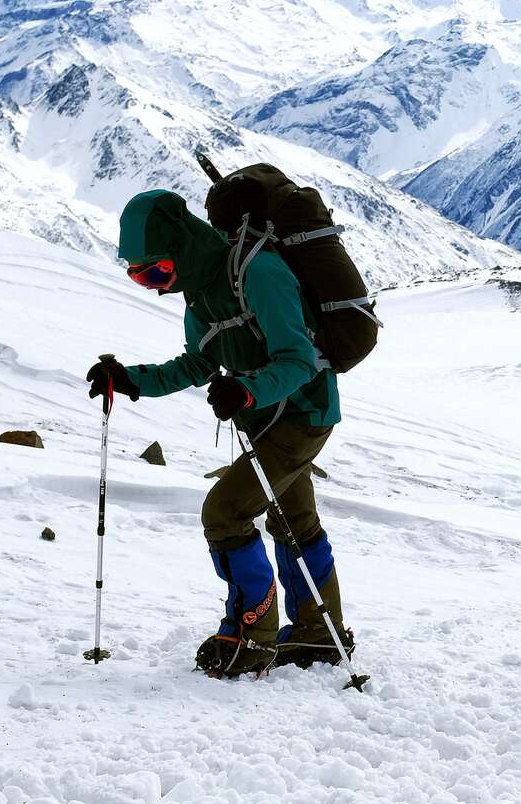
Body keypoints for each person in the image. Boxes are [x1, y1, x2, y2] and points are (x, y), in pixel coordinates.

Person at [86, 190, 348, 678]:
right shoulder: (200, 293)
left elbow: (299, 360)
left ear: (183, 247)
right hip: (265, 419)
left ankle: (253, 637)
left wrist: (246, 391)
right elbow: (199, 362)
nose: (154, 287)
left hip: (303, 415)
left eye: (157, 271)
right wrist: (131, 380)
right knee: (294, 520)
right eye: (139, 277)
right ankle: (319, 632)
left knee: (225, 513)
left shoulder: (260, 275)